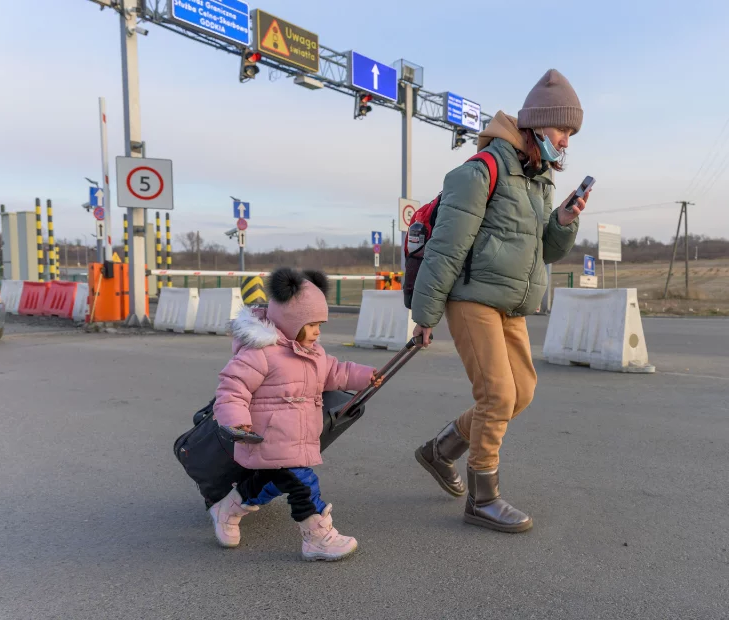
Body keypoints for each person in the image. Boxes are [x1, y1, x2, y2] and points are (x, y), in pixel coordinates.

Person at [410, 69, 588, 533]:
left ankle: (441, 449)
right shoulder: (480, 171)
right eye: (562, 130)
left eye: (571, 134)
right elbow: (446, 248)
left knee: (521, 393)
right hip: (472, 299)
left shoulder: (538, 180)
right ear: (535, 126)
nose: (566, 142)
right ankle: (482, 496)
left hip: (511, 303)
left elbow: (543, 252)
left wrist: (564, 221)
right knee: (497, 394)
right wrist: (425, 316)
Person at [210, 267, 381, 560]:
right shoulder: (260, 352)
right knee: (303, 483)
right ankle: (317, 537)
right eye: (312, 324)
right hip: (268, 437)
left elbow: (336, 372)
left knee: (270, 485)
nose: (318, 331)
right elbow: (232, 386)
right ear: (290, 321)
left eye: (320, 324)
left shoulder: (313, 352)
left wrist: (367, 376)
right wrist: (236, 422)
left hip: (297, 438)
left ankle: (227, 509)